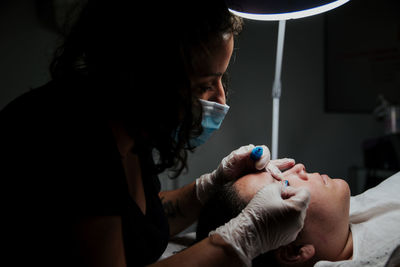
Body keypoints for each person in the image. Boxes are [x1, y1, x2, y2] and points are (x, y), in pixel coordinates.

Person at [0, 1, 310, 266]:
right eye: (204, 84)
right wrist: (244, 237)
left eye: (221, 78)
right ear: (145, 78)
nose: (220, 100)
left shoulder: (129, 129)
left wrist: (213, 185)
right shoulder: (71, 135)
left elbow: (134, 225)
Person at [196, 164, 400, 267]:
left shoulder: (351, 214)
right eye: (285, 185)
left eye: (280, 171)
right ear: (294, 252)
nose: (299, 168)